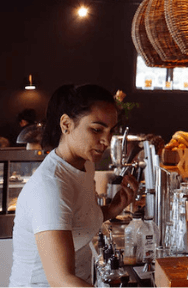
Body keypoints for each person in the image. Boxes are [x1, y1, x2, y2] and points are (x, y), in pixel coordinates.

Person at [10, 84, 138, 287]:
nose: (106, 140)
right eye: (96, 129)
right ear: (66, 124)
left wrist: (113, 208)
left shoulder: (85, 166)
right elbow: (60, 279)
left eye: (111, 130)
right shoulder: (50, 187)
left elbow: (77, 220)